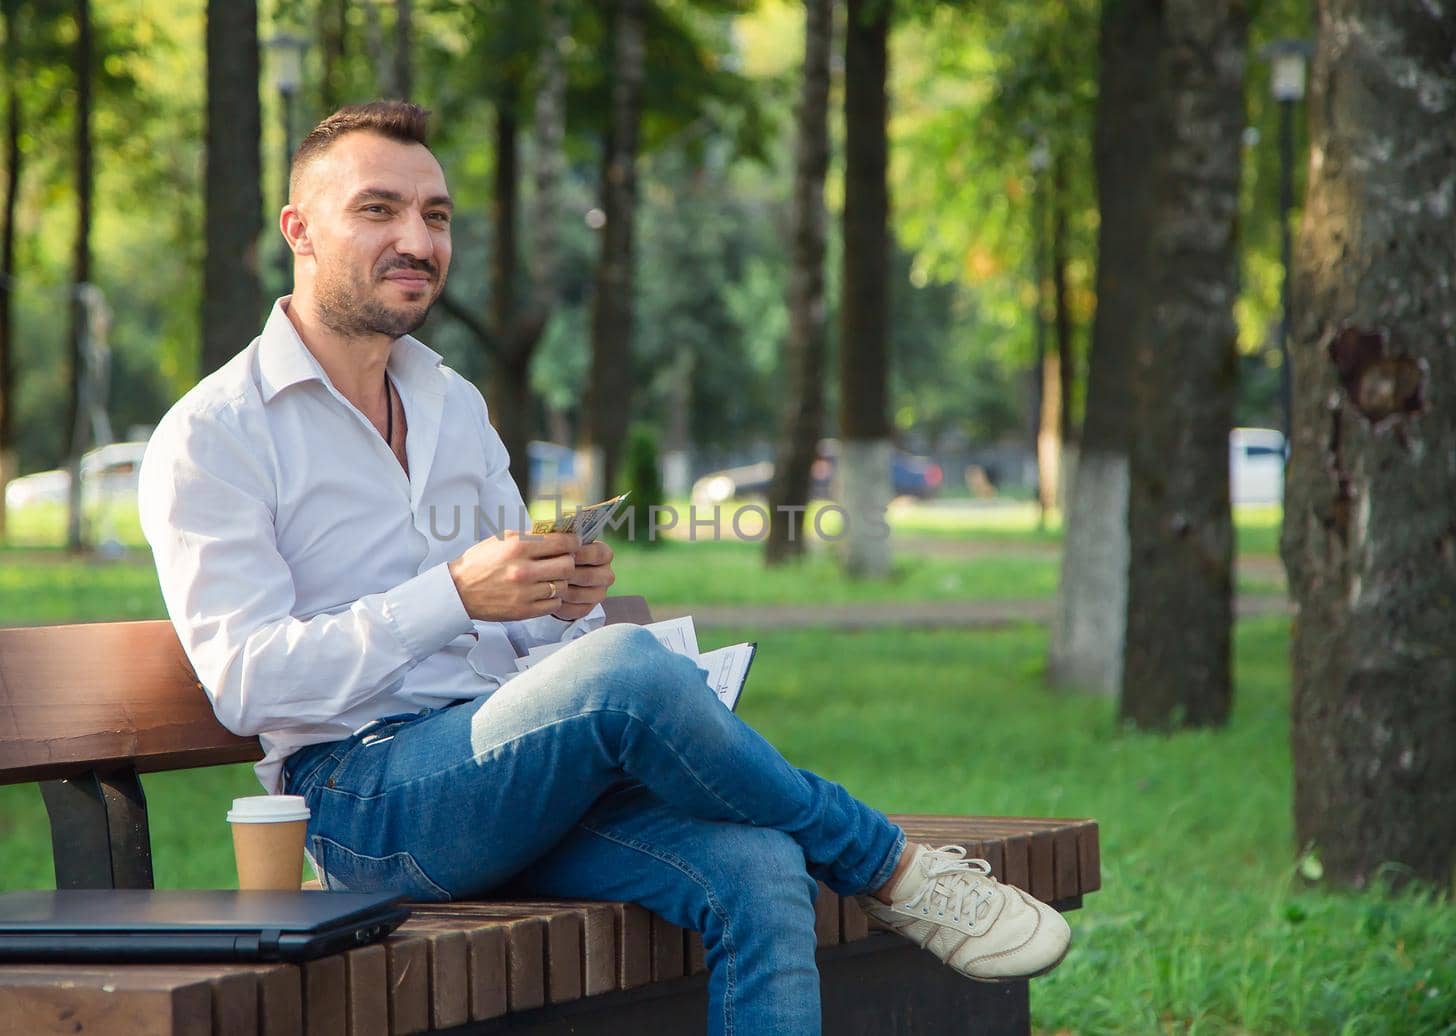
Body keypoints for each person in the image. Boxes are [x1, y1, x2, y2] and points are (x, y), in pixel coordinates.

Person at [139, 100, 1069, 1035]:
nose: (417, 239)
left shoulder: (450, 402)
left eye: (437, 216)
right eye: (378, 210)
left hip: (502, 775)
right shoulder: (217, 434)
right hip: (360, 805)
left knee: (757, 867)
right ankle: (894, 870)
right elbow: (245, 683)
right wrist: (456, 595)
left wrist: (553, 604)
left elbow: (513, 637)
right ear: (299, 229)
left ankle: (869, 867)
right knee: (624, 677)